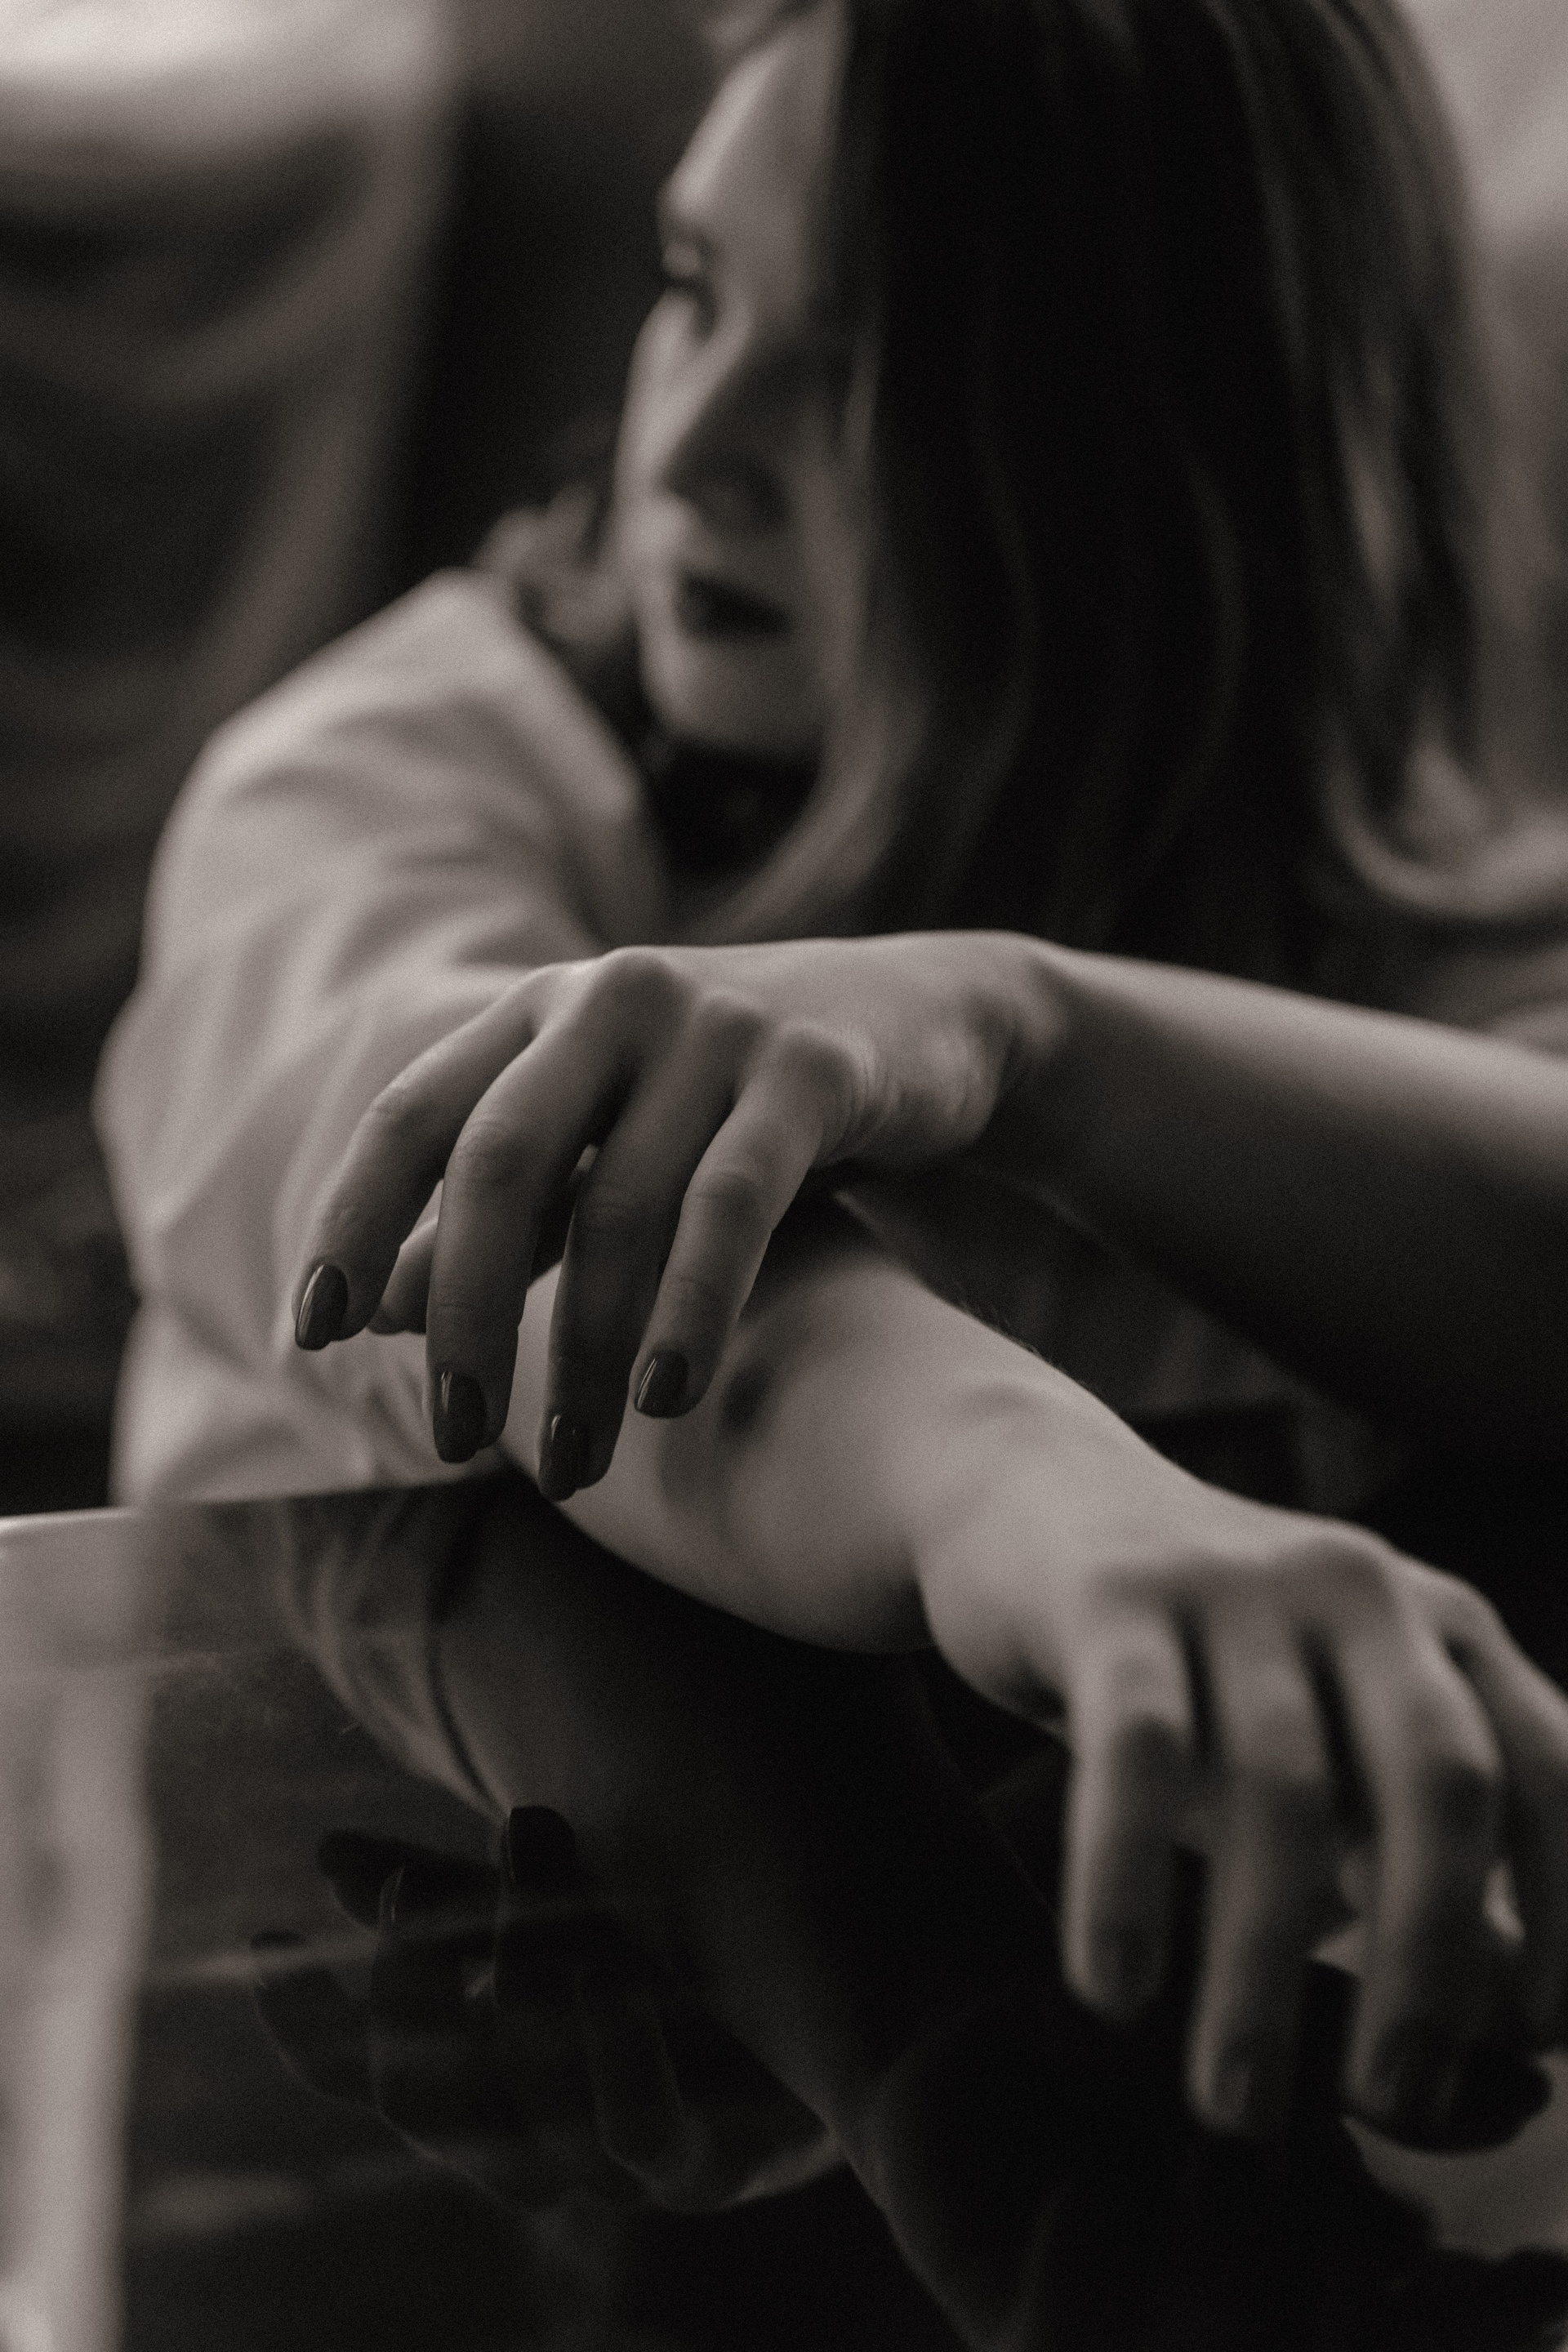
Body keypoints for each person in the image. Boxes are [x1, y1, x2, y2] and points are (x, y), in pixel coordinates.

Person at [96, 0, 1568, 2261]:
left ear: (1187, 432)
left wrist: (1035, 1034)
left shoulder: (1378, 886)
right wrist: (1043, 1506)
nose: (691, 448)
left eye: (868, 360)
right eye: (695, 291)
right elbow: (516, 1205)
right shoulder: (388, 782)